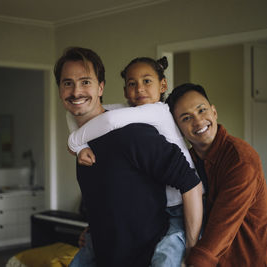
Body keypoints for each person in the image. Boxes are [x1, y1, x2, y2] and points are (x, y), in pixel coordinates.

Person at [55, 47, 203, 267]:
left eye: (85, 82)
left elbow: (191, 184)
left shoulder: (133, 132)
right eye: (68, 83)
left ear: (100, 87)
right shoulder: (84, 144)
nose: (76, 91)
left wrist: (190, 251)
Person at [165, 83, 267, 267]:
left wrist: (195, 261)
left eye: (201, 110)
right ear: (179, 129)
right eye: (186, 118)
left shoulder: (241, 159)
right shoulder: (188, 161)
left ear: (214, 112)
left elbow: (224, 223)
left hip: (251, 260)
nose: (198, 121)